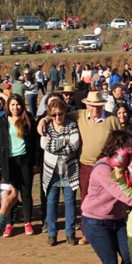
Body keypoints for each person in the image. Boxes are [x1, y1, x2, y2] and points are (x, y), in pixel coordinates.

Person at [37, 91, 120, 244]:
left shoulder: (112, 119)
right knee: (85, 200)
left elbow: (74, 144)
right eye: (91, 105)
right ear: (87, 105)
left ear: (102, 105)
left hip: (106, 166)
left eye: (98, 105)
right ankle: (85, 232)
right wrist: (44, 119)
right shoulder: (79, 115)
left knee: (109, 197)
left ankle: (109, 227)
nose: (94, 108)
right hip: (84, 165)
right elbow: (56, 116)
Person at [82, 130, 132, 264]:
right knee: (110, 262)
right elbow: (119, 191)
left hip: (118, 220)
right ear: (117, 147)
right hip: (95, 221)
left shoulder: (126, 166)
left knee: (130, 258)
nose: (131, 149)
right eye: (127, 145)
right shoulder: (102, 168)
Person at [0, 94, 39, 237]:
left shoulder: (29, 120)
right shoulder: (3, 121)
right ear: (8, 106)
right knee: (11, 194)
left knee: (26, 193)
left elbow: (36, 144)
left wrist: (36, 164)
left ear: (22, 105)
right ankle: (9, 224)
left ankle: (27, 222)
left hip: (25, 161)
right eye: (12, 105)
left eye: (18, 104)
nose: (15, 107)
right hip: (8, 162)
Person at [40, 99, 80, 246]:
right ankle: (52, 234)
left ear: (65, 112)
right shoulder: (47, 127)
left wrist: (54, 143)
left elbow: (75, 144)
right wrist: (65, 141)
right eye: (54, 114)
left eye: (60, 114)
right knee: (51, 203)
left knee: (70, 203)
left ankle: (70, 233)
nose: (58, 117)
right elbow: (43, 144)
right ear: (50, 114)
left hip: (69, 171)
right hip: (52, 171)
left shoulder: (71, 125)